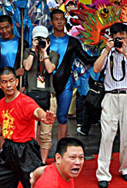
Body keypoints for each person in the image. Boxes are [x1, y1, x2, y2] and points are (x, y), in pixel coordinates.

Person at [92, 22, 127, 188]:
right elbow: (96, 69)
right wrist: (107, 50)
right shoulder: (107, 52)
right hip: (110, 96)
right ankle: (103, 173)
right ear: (111, 38)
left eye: (123, 37)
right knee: (107, 136)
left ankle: (126, 168)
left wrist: (125, 53)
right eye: (117, 38)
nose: (120, 40)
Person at [48, 9, 98, 140]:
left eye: (61, 19)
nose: (59, 21)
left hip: (66, 83)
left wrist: (105, 52)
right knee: (44, 119)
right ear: (51, 22)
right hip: (47, 84)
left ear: (65, 20)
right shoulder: (46, 40)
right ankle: (40, 151)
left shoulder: (73, 42)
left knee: (62, 117)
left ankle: (61, 147)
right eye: (56, 19)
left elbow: (86, 59)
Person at [22, 25, 58, 162]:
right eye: (37, 39)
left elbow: (49, 70)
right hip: (31, 95)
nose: (40, 42)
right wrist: (33, 49)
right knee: (31, 131)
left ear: (48, 40)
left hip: (48, 95)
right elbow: (26, 67)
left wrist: (44, 52)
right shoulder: (27, 52)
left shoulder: (53, 54)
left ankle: (42, 161)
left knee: (45, 132)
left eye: (42, 39)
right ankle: (32, 158)